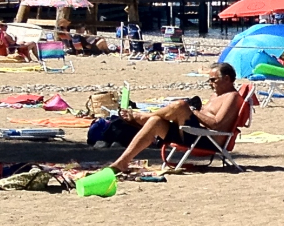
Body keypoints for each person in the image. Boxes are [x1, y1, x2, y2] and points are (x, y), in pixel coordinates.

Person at [104, 63, 242, 172]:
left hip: (208, 140)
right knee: (155, 121)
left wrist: (192, 110)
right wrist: (194, 110)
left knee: (180, 105)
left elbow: (216, 124)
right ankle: (122, 162)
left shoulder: (232, 97)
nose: (210, 84)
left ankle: (142, 116)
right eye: (209, 80)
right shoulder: (216, 95)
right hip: (196, 134)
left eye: (213, 80)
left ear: (227, 79)